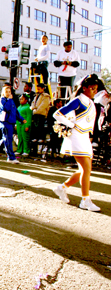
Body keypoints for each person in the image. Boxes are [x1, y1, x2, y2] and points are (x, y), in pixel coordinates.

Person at [53, 74, 101, 212]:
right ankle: (85, 200)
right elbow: (57, 114)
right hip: (76, 137)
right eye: (92, 88)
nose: (94, 91)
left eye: (96, 88)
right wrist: (71, 125)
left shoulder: (91, 102)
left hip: (85, 137)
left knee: (84, 170)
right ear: (84, 88)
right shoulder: (78, 100)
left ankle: (61, 188)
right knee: (86, 169)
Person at [0, 86, 27, 164]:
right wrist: (10, 100)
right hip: (5, 122)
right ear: (3, 92)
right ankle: (11, 157)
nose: (8, 93)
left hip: (11, 122)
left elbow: (15, 111)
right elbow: (5, 108)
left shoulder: (11, 101)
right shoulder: (2, 100)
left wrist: (21, 119)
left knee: (6, 138)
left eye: (9, 91)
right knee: (8, 139)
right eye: (6, 91)